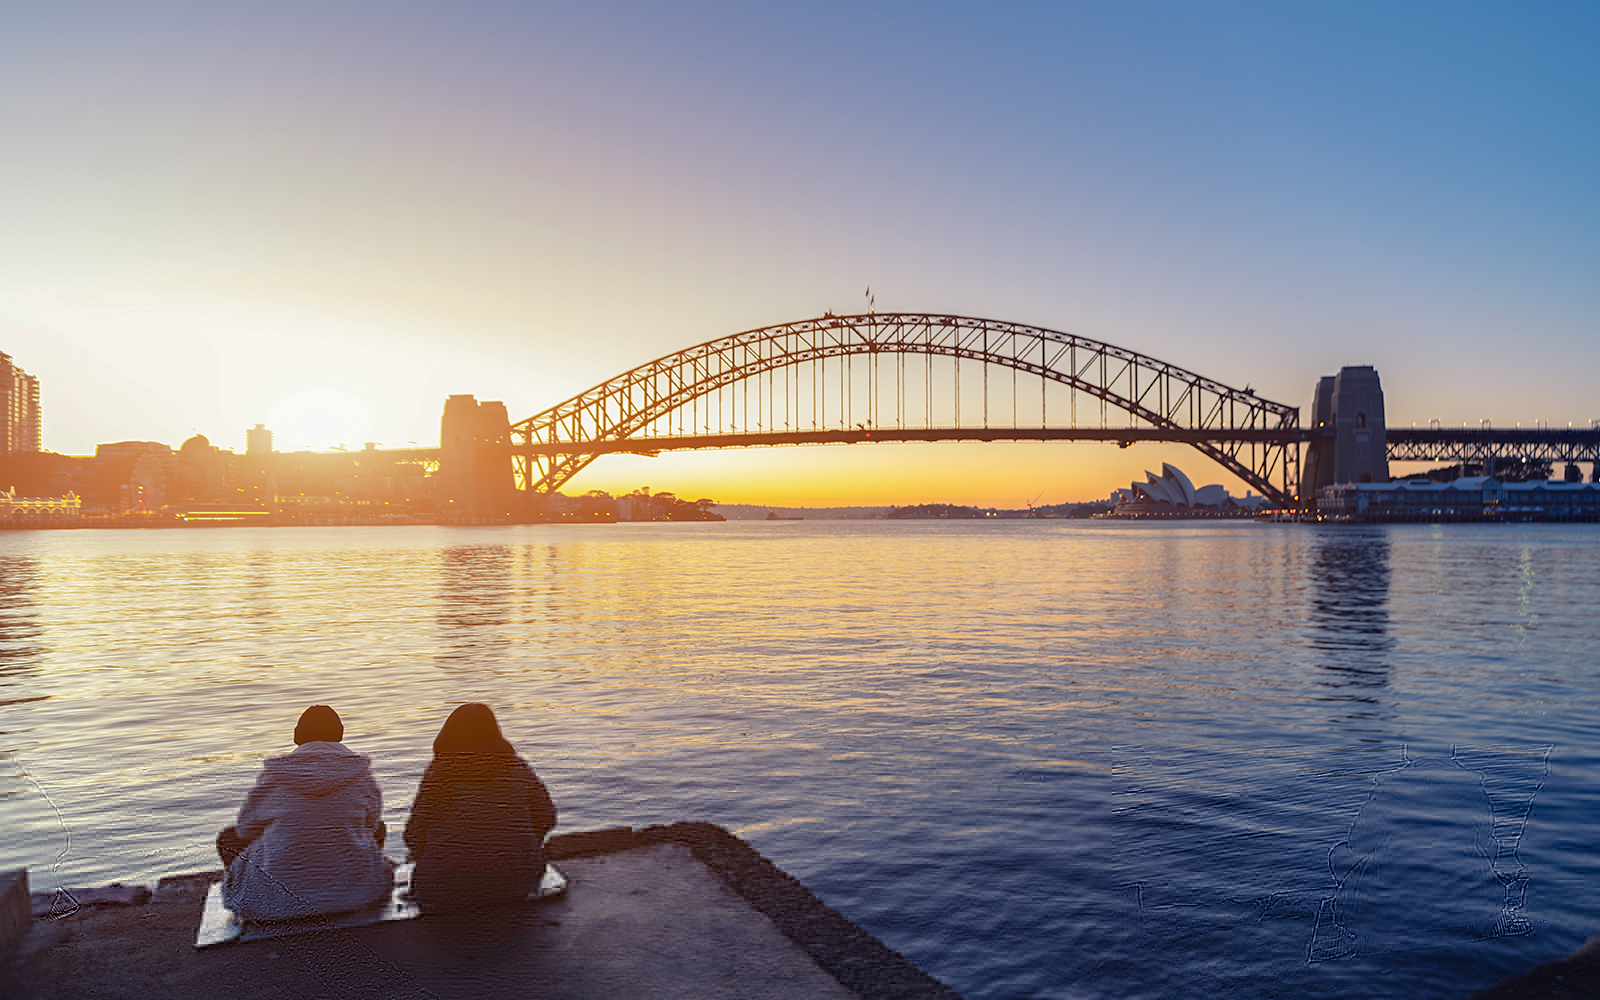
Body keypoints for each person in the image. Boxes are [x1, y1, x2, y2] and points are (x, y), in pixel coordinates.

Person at [217, 705, 392, 921]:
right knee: (378, 830)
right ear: (340, 734)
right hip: (356, 897)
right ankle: (352, 883)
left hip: (278, 902)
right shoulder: (361, 775)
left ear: (297, 736)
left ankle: (261, 891)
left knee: (228, 838)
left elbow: (244, 830)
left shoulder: (275, 775)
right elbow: (372, 826)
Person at [403, 703, 557, 914]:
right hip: (516, 881)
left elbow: (413, 835)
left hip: (449, 886)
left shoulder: (439, 774)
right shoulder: (518, 769)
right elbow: (547, 818)